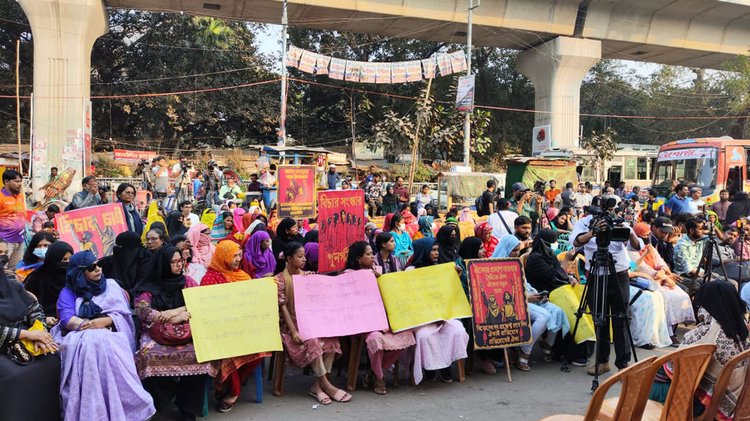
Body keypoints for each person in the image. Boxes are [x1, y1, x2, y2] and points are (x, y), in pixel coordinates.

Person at [51, 251, 156, 420]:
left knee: (101, 341)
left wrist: (106, 321)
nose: (98, 269)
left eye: (98, 264)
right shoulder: (68, 292)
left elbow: (123, 316)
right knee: (94, 343)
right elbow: (66, 319)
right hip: (77, 335)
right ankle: (92, 409)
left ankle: (123, 406)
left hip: (112, 332)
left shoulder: (112, 286)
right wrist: (90, 326)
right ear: (79, 273)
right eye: (91, 267)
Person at [134, 245, 214, 420]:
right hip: (157, 332)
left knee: (202, 355)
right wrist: (170, 319)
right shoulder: (149, 286)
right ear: (163, 264)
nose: (179, 265)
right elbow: (143, 311)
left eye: (181, 261)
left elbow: (199, 302)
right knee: (149, 356)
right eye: (174, 262)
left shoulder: (187, 282)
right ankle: (164, 399)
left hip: (186, 330)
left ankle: (187, 406)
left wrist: (175, 312)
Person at [650, 281, 749, 420]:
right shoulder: (742, 332)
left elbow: (670, 372)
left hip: (697, 403)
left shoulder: (706, 334)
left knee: (643, 386)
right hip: (729, 403)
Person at [569, 196, 640, 375]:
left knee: (621, 317)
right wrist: (593, 232)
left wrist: (629, 232)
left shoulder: (617, 221)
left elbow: (637, 246)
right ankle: (602, 362)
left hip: (619, 273)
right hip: (595, 274)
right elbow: (575, 242)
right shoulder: (584, 223)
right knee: (599, 318)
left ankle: (623, 364)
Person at [276, 242, 351, 404]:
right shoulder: (280, 280)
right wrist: (294, 331)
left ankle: (317, 386)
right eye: (300, 257)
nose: (304, 260)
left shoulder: (306, 277)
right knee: (314, 342)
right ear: (289, 258)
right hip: (290, 327)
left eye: (304, 256)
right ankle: (327, 385)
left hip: (310, 322)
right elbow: (283, 309)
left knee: (331, 339)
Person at [200, 241, 270, 411]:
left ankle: (232, 383)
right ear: (223, 256)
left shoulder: (243, 276)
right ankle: (233, 391)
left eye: (240, 255)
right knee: (229, 353)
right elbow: (206, 310)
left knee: (261, 349)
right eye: (234, 255)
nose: (238, 259)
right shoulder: (209, 278)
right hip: (220, 331)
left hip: (242, 328)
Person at [345, 241, 415, 395]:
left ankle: (374, 370)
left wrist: (380, 278)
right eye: (368, 254)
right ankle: (380, 377)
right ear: (358, 258)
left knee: (407, 334)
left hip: (383, 319)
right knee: (375, 339)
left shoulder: (377, 271)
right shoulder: (349, 275)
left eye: (372, 254)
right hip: (363, 322)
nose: (372, 257)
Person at [0, 271, 62, 421]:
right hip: (3, 348)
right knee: (13, 376)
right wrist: (27, 335)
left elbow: (34, 309)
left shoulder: (12, 286)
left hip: (26, 343)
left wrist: (39, 332)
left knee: (52, 361)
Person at [407, 237, 469, 383]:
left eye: (437, 250)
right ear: (424, 251)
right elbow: (409, 298)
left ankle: (446, 366)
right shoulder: (411, 271)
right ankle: (430, 368)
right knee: (425, 336)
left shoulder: (443, 268)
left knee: (457, 330)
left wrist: (456, 277)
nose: (436, 253)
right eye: (433, 250)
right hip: (422, 318)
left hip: (443, 315)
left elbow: (450, 294)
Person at [630, 223, 695, 344]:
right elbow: (641, 267)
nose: (646, 238)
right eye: (643, 236)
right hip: (647, 281)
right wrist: (661, 276)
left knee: (682, 295)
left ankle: (673, 332)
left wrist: (662, 271)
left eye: (647, 235)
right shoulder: (631, 249)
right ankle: (668, 334)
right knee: (666, 298)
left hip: (661, 279)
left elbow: (662, 262)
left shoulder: (651, 247)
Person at [455, 236, 502, 374]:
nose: (483, 251)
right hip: (466, 304)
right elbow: (461, 289)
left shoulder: (482, 263)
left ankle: (491, 355)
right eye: (480, 248)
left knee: (501, 315)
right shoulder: (458, 265)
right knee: (480, 319)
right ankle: (481, 356)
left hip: (484, 301)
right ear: (472, 250)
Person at [24, 241, 74, 322]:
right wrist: (44, 318)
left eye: (70, 259)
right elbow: (28, 304)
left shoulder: (74, 277)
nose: (67, 262)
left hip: (71, 318)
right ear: (53, 259)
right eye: (64, 259)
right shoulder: (37, 277)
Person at [99, 232, 150, 301]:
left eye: (122, 247)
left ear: (130, 249)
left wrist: (127, 294)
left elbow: (143, 284)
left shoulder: (146, 261)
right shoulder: (111, 260)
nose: (118, 250)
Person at [673, 218, 707, 293]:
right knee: (713, 283)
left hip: (699, 271)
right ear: (691, 230)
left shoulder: (698, 239)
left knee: (729, 282)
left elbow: (721, 238)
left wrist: (713, 228)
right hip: (685, 274)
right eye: (701, 229)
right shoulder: (682, 245)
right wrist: (706, 275)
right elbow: (689, 270)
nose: (703, 232)